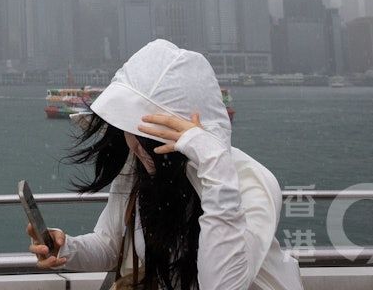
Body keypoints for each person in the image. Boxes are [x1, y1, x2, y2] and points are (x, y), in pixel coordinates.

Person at [28, 39, 302, 290]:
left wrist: (213, 163)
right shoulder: (137, 172)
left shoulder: (248, 183)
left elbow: (221, 285)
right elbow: (111, 245)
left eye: (150, 139)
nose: (136, 147)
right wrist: (65, 247)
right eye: (131, 130)